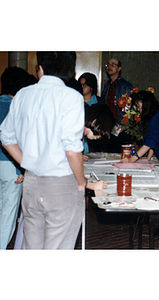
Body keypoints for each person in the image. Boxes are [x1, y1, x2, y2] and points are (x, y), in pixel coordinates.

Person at [0, 51, 104, 249]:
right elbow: (72, 148)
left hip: (31, 182)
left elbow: (5, 136)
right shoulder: (71, 97)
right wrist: (82, 182)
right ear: (70, 69)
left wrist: (26, 162)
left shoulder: (22, 94)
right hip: (62, 185)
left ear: (41, 68)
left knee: (33, 248)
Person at [0, 66, 33, 249]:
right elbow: (19, 140)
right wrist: (21, 168)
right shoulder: (17, 107)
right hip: (9, 165)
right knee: (8, 213)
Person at [120, 90, 159, 165]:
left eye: (139, 107)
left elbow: (151, 141)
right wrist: (148, 158)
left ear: (145, 105)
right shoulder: (158, 114)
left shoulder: (157, 117)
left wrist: (132, 159)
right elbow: (155, 139)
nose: (138, 109)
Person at [101, 58, 133, 125]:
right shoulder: (107, 84)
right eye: (108, 64)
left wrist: (125, 124)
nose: (109, 67)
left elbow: (130, 108)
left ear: (119, 69)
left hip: (120, 124)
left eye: (113, 65)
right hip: (107, 123)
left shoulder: (125, 85)